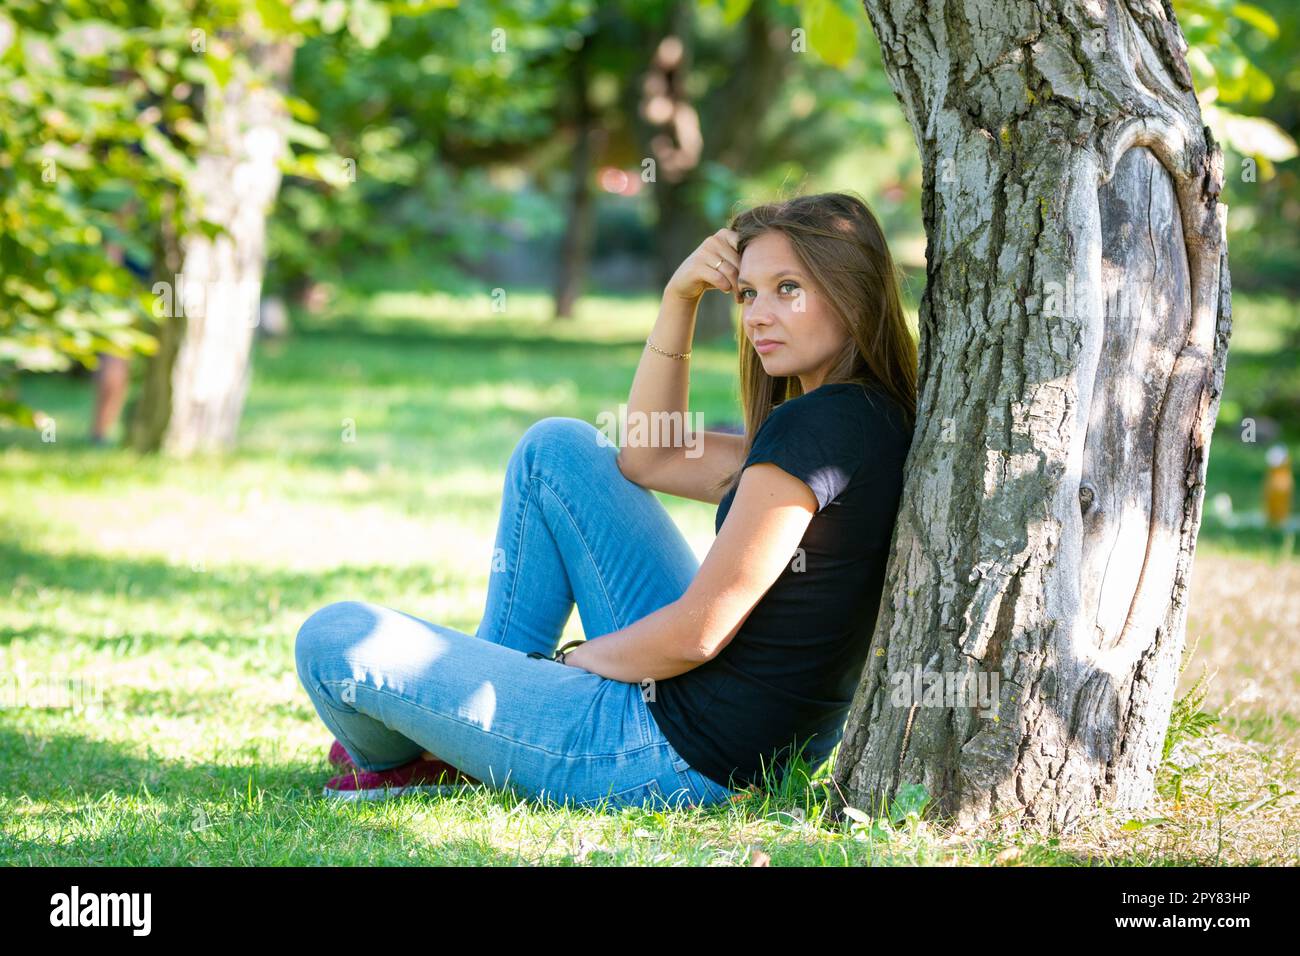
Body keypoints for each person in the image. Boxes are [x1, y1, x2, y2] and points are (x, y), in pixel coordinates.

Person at [294, 191, 918, 810]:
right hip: (737, 734)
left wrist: (574, 664)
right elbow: (649, 456)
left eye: (788, 288)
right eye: (749, 293)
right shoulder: (868, 417)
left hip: (674, 751)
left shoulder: (815, 430)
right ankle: (479, 736)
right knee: (557, 450)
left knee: (335, 638)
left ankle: (447, 748)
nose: (757, 314)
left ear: (851, 290)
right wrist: (680, 298)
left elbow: (696, 635)